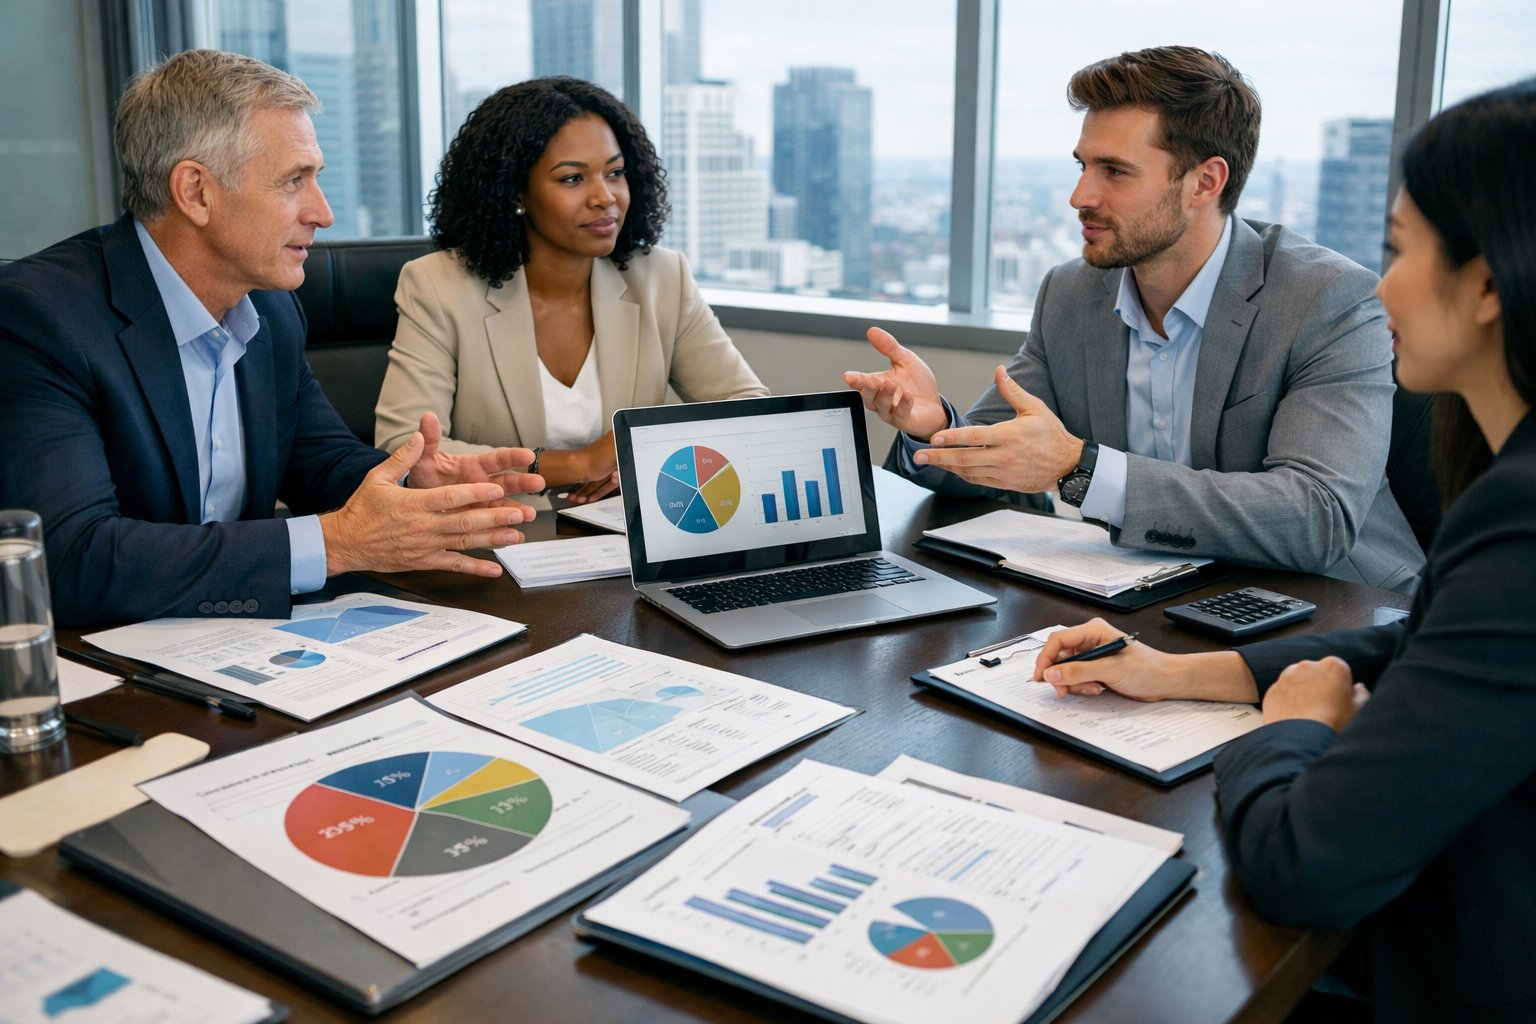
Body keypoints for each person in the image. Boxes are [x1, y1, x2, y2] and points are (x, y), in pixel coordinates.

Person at [1033, 79, 1536, 1021]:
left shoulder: (1522, 527)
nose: (1379, 282)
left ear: (1489, 285)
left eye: (1400, 251)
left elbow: (1305, 869)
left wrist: (1290, 727)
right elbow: (1427, 643)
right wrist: (1181, 675)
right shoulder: (1510, 500)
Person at [844, 46, 1423, 592]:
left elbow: (1317, 518)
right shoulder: (1072, 295)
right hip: (1159, 600)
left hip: (1342, 610)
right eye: (1082, 165)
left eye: (1114, 172)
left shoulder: (1327, 299)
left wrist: (1081, 468)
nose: (1079, 196)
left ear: (1205, 181)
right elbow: (1002, 460)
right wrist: (931, 427)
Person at [0, 50, 544, 629]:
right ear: (196, 192)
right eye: (293, 181)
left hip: (242, 646)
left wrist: (410, 487)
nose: (324, 213)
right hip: (100, 671)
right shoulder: (40, 318)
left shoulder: (271, 307)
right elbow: (71, 560)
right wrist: (334, 545)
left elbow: (316, 461)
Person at [374, 77, 767, 503]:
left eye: (615, 173)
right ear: (516, 192)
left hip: (620, 539)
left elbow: (747, 408)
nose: (605, 197)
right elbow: (407, 448)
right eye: (572, 179)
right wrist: (576, 464)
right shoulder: (438, 286)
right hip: (493, 537)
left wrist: (635, 457)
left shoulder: (661, 277)